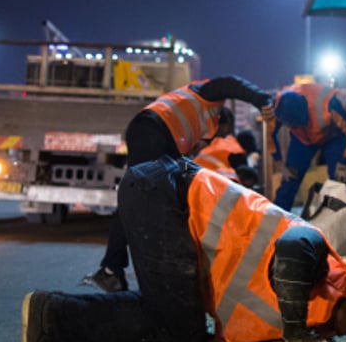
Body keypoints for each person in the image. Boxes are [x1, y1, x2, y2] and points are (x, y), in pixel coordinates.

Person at [22, 157, 346, 342]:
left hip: (165, 198)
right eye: (343, 330)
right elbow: (289, 255)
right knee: (172, 327)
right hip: (167, 195)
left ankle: (58, 323)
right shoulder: (317, 256)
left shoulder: (311, 301)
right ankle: (52, 319)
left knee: (181, 329)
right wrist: (297, 340)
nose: (333, 336)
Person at [86, 76, 275, 292]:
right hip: (152, 130)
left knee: (140, 200)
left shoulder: (190, 126)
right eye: (222, 132)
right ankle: (120, 269)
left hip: (150, 131)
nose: (217, 139)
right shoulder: (206, 96)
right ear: (222, 119)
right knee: (142, 202)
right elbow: (229, 83)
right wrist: (262, 100)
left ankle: (115, 269)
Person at [270, 82, 346, 212]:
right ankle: (276, 219)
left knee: (338, 178)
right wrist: (279, 162)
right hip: (302, 140)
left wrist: (344, 161)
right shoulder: (278, 108)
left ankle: (340, 218)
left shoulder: (328, 103)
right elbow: (270, 134)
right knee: (290, 177)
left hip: (332, 138)